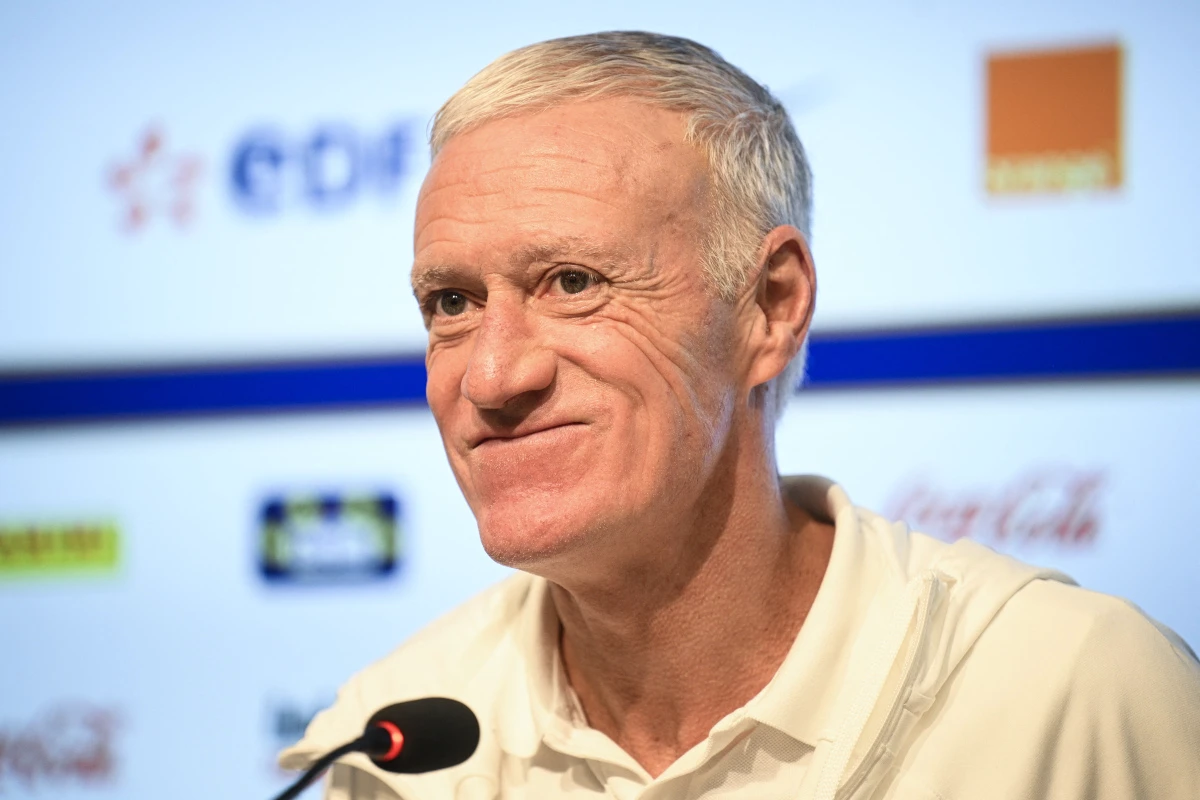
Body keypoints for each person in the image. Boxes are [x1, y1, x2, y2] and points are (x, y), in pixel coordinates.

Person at [281, 31, 1200, 799]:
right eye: (450, 302)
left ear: (770, 305)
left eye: (572, 283)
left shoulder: (1072, 690)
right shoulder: (393, 745)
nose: (490, 374)